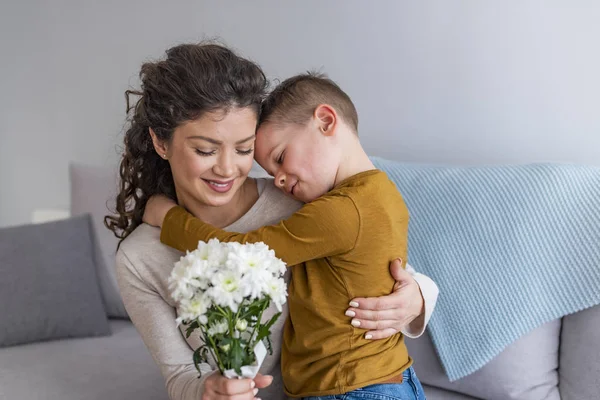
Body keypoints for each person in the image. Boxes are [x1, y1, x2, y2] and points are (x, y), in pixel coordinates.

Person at [105, 42, 438, 400]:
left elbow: (379, 262)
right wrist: (209, 390)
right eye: (205, 149)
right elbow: (181, 376)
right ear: (160, 142)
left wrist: (418, 297)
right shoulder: (139, 259)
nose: (226, 168)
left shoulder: (301, 198)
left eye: (245, 150)